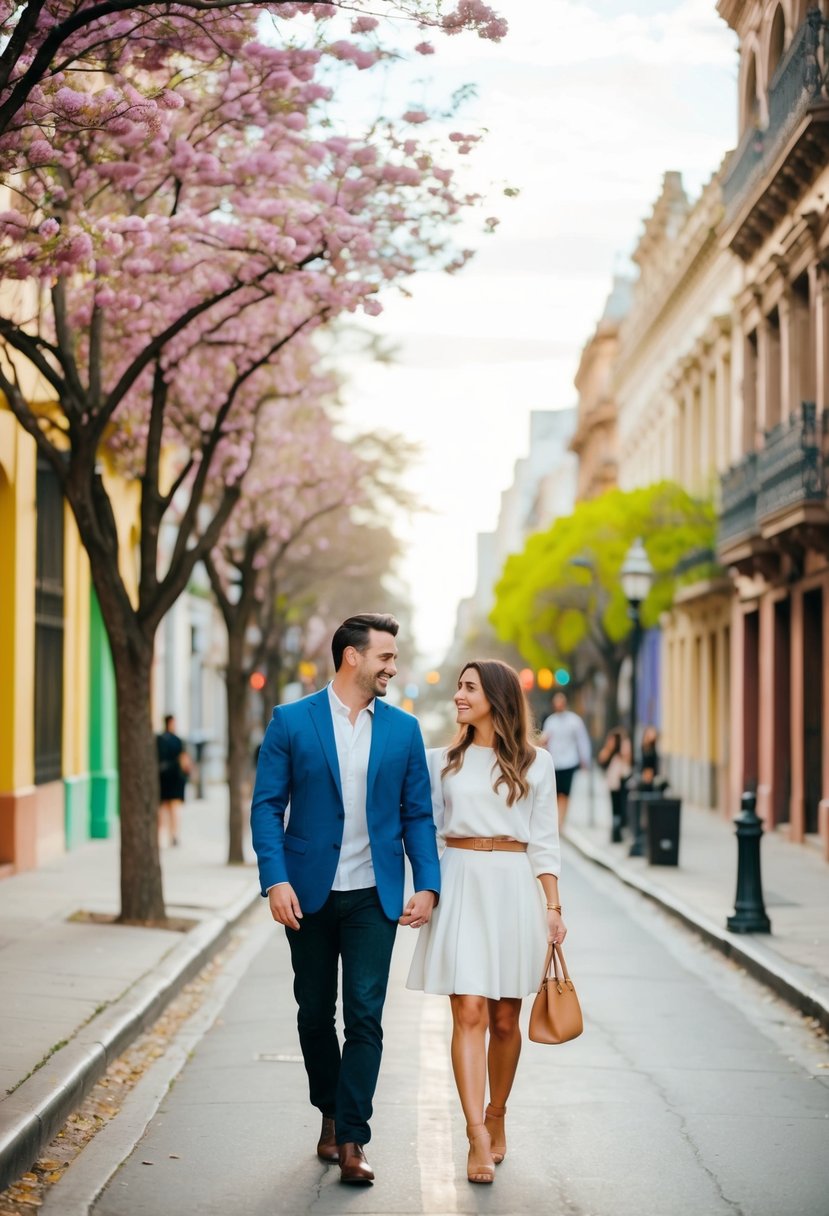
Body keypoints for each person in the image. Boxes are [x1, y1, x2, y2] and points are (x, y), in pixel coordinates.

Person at [250, 613, 440, 1187]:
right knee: (313, 1013)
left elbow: (417, 814)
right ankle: (329, 1108)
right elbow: (266, 806)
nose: (393, 666)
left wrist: (427, 883)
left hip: (372, 896)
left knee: (365, 1016)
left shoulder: (404, 731)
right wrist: (274, 878)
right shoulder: (291, 721)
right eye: (384, 656)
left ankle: (353, 1136)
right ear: (352, 657)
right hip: (305, 894)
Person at [407, 659, 565, 1186]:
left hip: (513, 890)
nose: (457, 695)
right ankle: (475, 1132)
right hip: (461, 884)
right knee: (468, 1011)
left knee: (504, 1018)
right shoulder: (440, 762)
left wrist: (554, 908)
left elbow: (544, 841)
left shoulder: (535, 763)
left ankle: (498, 1112)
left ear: (495, 697)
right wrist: (426, 890)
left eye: (468, 687)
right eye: (458, 686)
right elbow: (426, 832)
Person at [539, 691, 591, 827]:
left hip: (569, 761)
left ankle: (561, 821)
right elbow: (544, 740)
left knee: (565, 793)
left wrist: (585, 759)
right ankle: (557, 819)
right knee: (555, 793)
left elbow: (582, 740)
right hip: (554, 762)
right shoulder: (551, 721)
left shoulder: (574, 721)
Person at [156, 714, 189, 846]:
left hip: (163, 776)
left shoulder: (158, 740)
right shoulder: (177, 740)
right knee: (174, 807)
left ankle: (163, 835)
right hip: (175, 777)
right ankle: (173, 835)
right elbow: (183, 759)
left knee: (164, 807)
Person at [597, 726, 632, 843]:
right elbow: (602, 759)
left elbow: (628, 759)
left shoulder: (624, 746)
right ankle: (616, 833)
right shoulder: (610, 750)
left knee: (622, 807)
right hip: (613, 782)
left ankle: (620, 831)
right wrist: (610, 747)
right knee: (615, 808)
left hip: (622, 781)